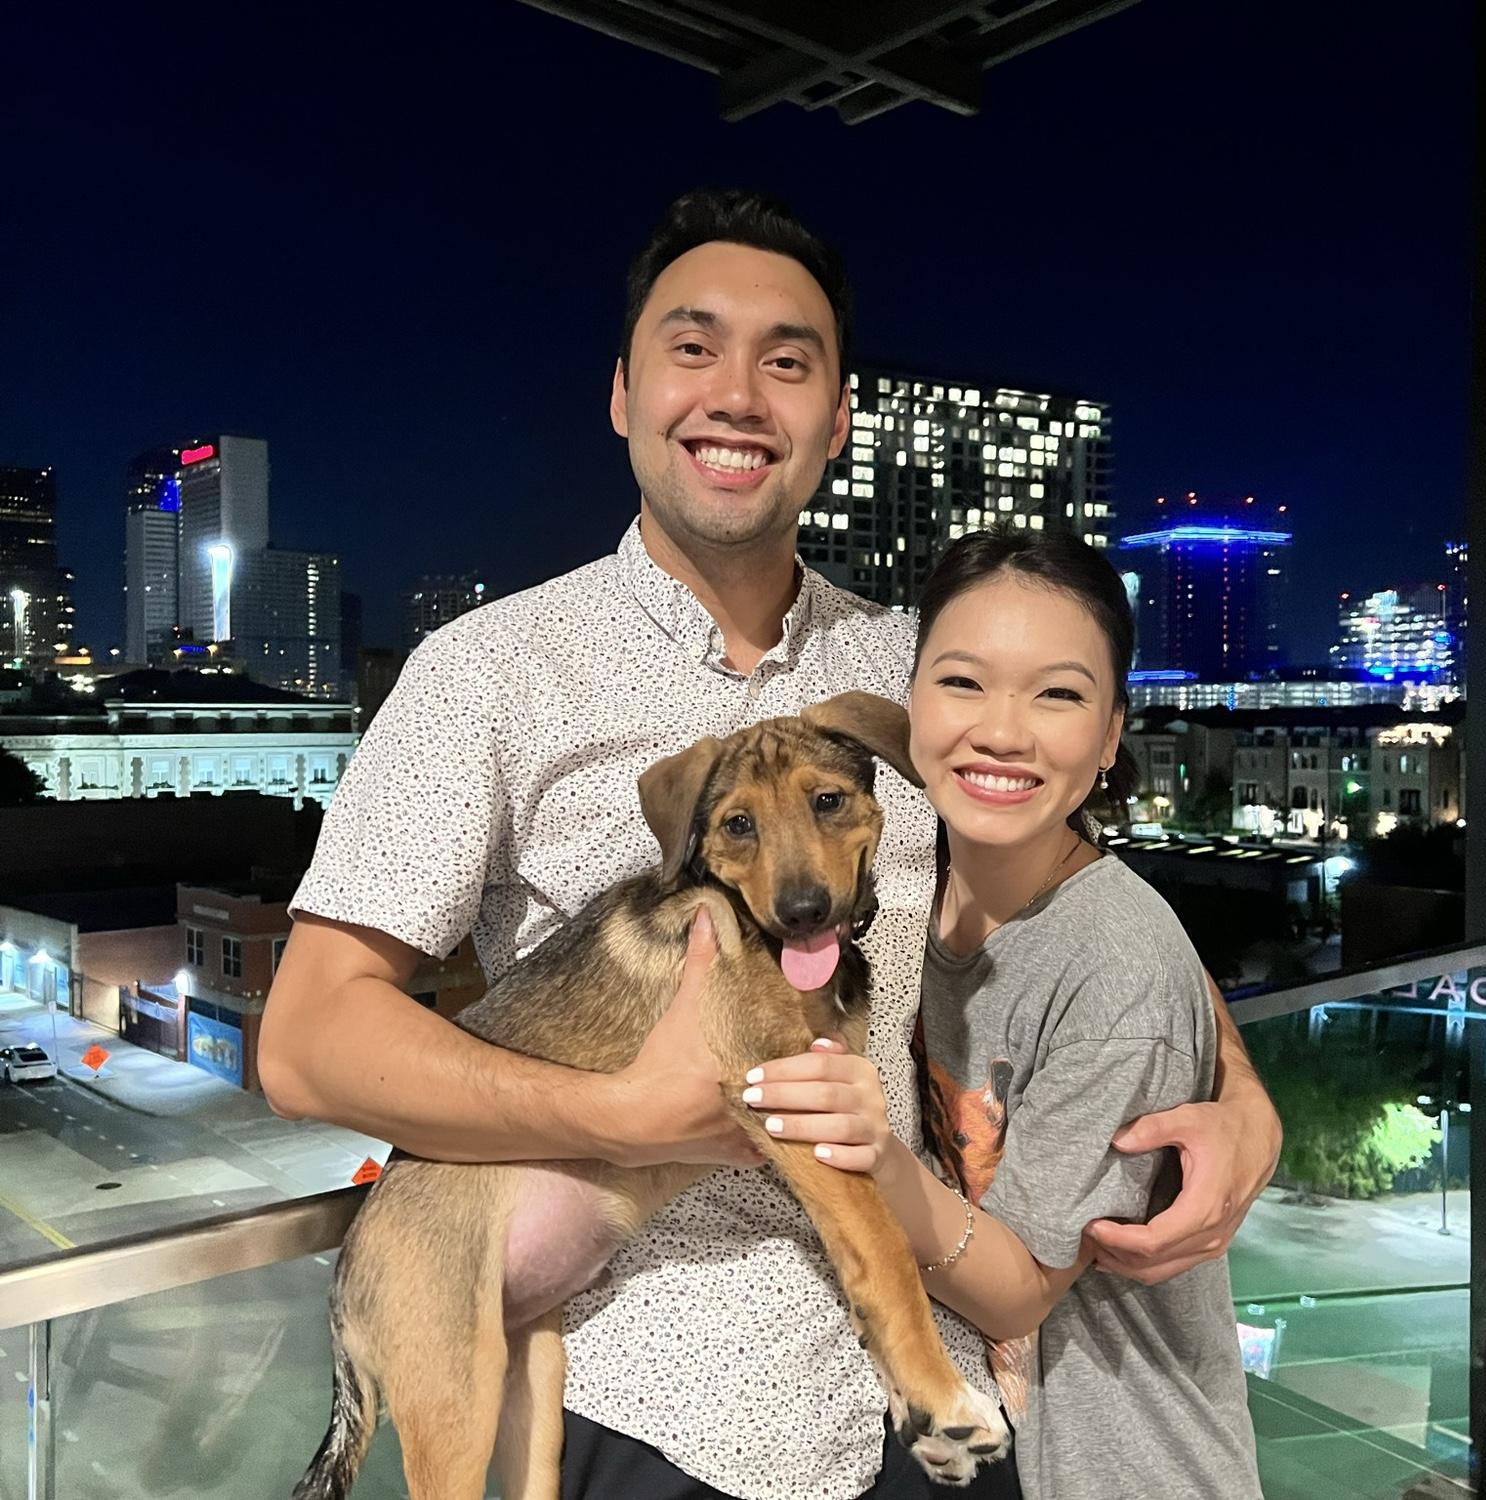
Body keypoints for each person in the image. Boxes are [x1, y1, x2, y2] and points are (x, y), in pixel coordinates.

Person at [260, 189, 1280, 1500]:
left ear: (838, 420)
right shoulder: (487, 673)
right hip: (652, 1413)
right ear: (623, 393)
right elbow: (306, 1040)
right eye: (693, 348)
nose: (737, 395)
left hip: (923, 1396)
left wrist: (1237, 1087)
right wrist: (620, 1117)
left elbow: (1065, 887)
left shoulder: (914, 669)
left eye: (786, 362)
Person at [742, 527, 1264, 1498]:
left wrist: (873, 1152)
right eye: (963, 682)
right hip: (995, 1451)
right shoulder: (915, 885)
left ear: (1110, 734)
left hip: (1129, 1462)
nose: (1002, 731)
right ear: (911, 702)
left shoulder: (1113, 961)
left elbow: (1022, 1291)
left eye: (1058, 694)